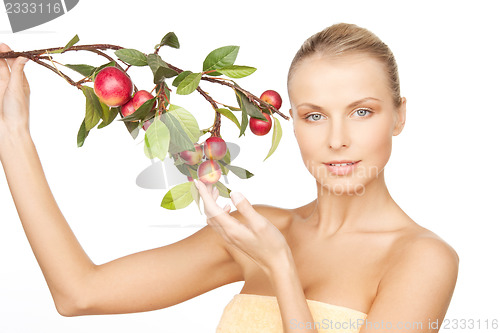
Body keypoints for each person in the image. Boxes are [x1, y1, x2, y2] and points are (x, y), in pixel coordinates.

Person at [0, 22, 459, 333]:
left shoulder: (422, 258)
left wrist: (280, 266)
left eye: (362, 112)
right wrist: (12, 134)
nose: (337, 139)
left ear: (398, 116)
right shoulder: (257, 230)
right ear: (291, 122)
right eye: (314, 115)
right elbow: (79, 294)